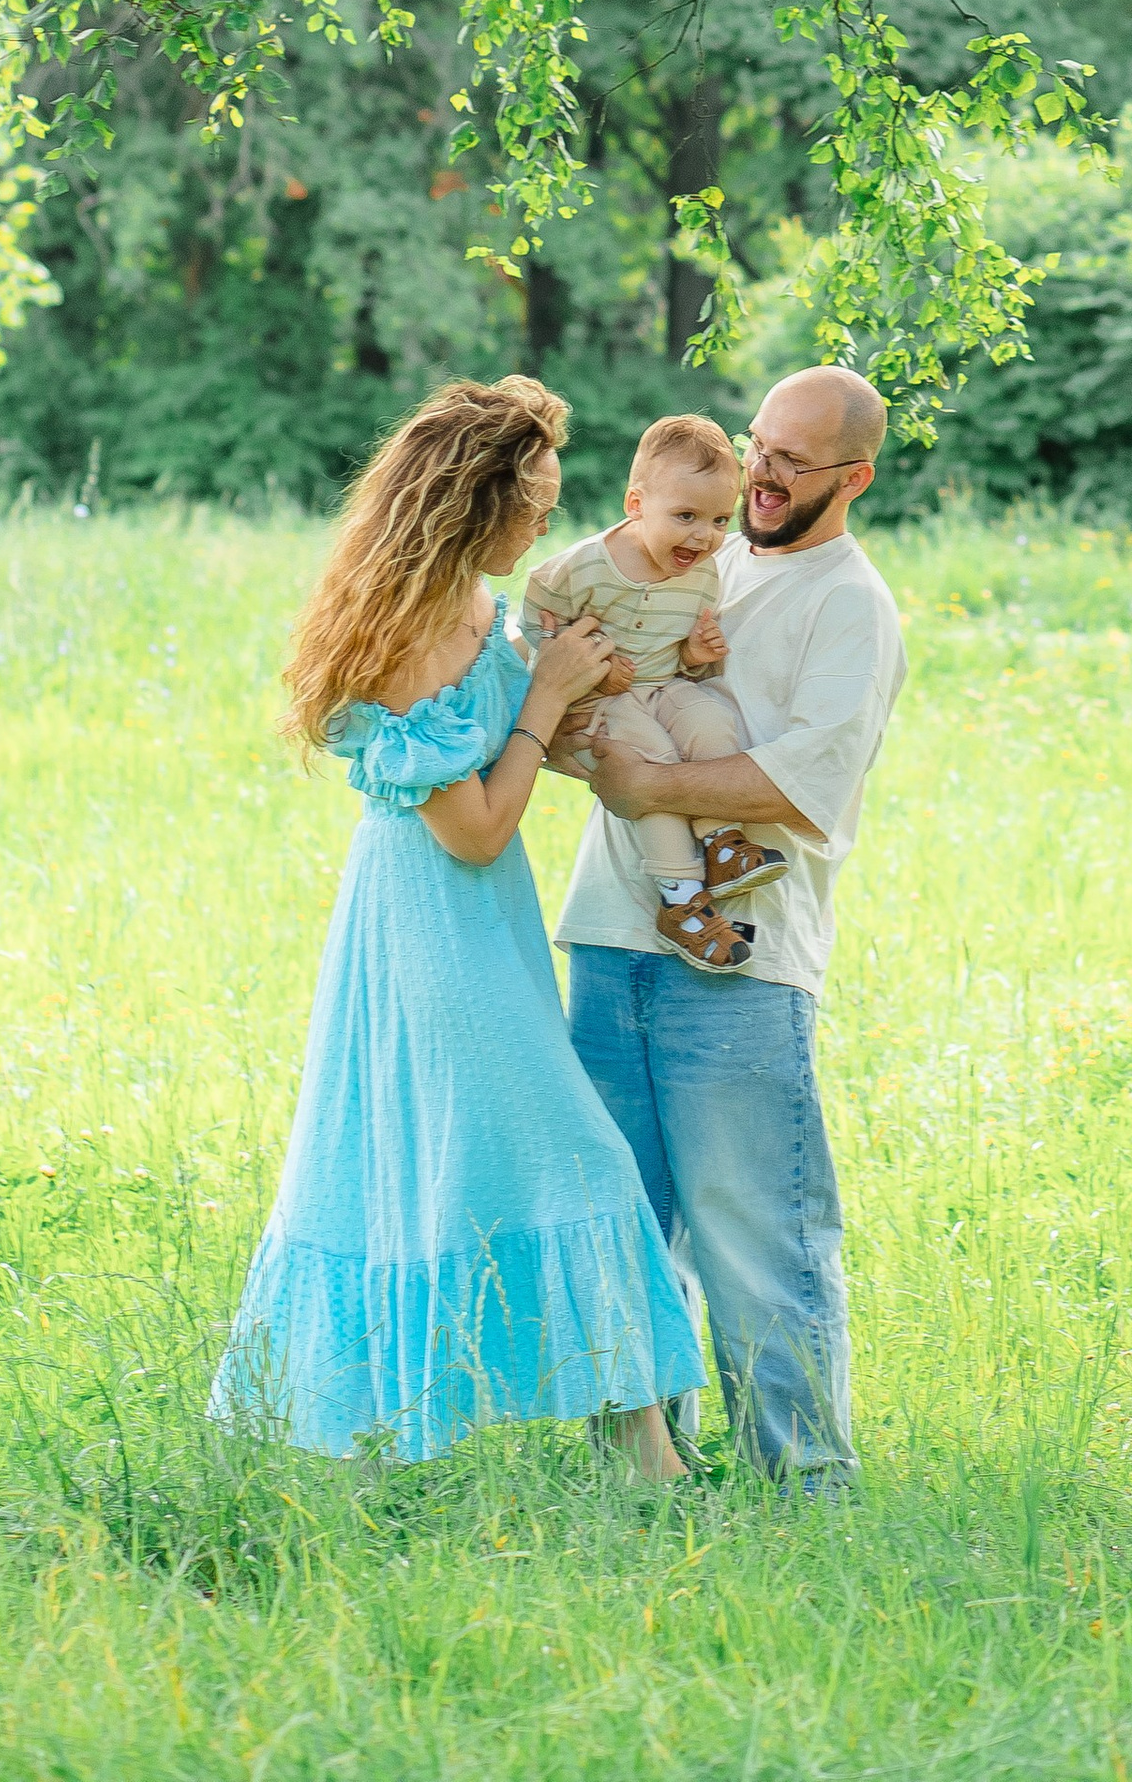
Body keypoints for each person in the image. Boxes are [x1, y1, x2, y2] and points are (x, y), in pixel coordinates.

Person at [210, 374, 703, 1474]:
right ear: (474, 502)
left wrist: (612, 688)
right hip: (430, 922)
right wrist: (545, 697)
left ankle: (621, 1452)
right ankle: (638, 1462)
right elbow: (474, 829)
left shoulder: (480, 604)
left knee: (480, 1160)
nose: (543, 527)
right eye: (533, 505)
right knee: (572, 1154)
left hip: (488, 922)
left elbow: (519, 754)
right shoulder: (403, 634)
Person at [549, 363, 907, 1492]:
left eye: (794, 460)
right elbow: (587, 697)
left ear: (853, 478)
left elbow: (810, 783)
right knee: (619, 1225)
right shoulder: (690, 543)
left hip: (741, 963)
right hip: (612, 933)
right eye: (760, 443)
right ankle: (642, 1475)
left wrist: (651, 785)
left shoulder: (850, 605)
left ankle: (802, 1488)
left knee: (757, 1235)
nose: (763, 472)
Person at [519, 411, 785, 978]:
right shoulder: (581, 568)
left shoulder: (702, 574)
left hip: (663, 685)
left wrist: (694, 653)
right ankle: (680, 900)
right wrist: (593, 667)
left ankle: (721, 841)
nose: (703, 536)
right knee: (651, 767)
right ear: (636, 504)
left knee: (710, 720)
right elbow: (540, 629)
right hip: (601, 703)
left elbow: (675, 655)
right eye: (685, 516)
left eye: (718, 519)